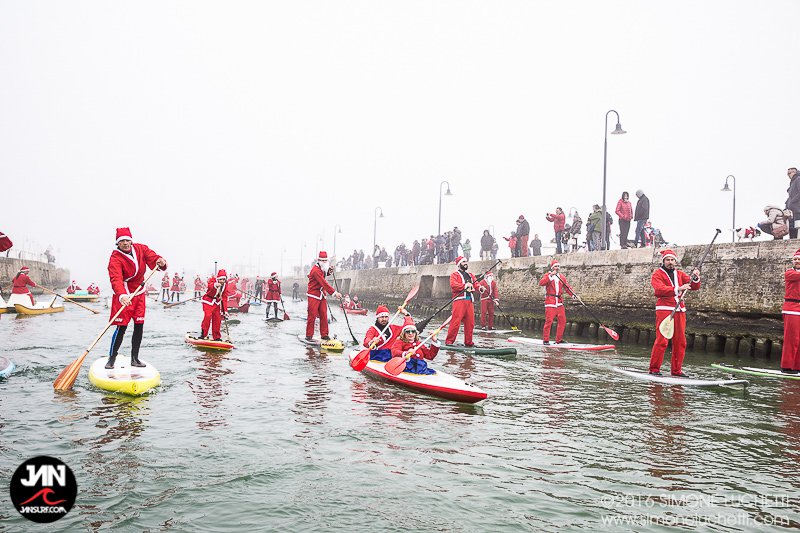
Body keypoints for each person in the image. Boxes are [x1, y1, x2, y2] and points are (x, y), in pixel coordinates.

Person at [106, 227, 167, 369]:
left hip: (139, 293)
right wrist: (121, 295)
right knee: (121, 327)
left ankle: (135, 358)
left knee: (139, 326)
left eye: (128, 240)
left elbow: (153, 257)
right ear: (118, 243)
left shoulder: (141, 249)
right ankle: (112, 358)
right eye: (122, 241)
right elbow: (116, 278)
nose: (126, 243)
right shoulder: (115, 257)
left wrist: (160, 261)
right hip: (124, 295)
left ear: (131, 241)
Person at [649, 249, 700, 376]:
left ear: (675, 261)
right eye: (667, 260)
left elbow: (693, 286)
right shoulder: (657, 274)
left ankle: (676, 371)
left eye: (672, 260)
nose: (670, 262)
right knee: (662, 341)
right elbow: (659, 290)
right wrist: (678, 288)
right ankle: (654, 369)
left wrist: (695, 278)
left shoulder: (680, 274)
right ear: (663, 261)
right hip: (664, 310)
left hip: (679, 310)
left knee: (680, 341)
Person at [306, 251, 342, 341]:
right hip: (313, 295)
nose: (325, 262)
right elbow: (323, 282)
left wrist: (330, 270)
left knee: (324, 314)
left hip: (321, 294)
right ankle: (309, 335)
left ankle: (324, 334)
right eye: (323, 260)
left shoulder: (321, 268)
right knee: (312, 316)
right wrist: (334, 293)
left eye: (326, 260)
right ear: (319, 260)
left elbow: (325, 273)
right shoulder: (315, 270)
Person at [539, 259, 574, 344]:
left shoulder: (562, 277)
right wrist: (550, 276)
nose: (557, 268)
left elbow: (567, 287)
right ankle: (546, 340)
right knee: (549, 321)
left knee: (562, 321)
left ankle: (559, 340)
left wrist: (573, 294)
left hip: (559, 302)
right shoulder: (548, 275)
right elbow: (541, 283)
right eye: (555, 266)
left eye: (558, 266)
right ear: (552, 268)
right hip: (550, 302)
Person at [445, 256, 478, 347]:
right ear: (459, 264)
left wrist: (480, 288)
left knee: (470, 323)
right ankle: (449, 341)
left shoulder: (470, 275)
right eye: (464, 262)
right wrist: (464, 286)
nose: (466, 263)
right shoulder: (454, 275)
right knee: (456, 322)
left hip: (469, 301)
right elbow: (453, 285)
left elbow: (476, 284)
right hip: (459, 301)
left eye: (466, 261)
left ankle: (468, 342)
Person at [781, 249, 800, 373]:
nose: (797, 261)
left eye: (799, 259)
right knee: (791, 339)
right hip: (791, 309)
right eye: (795, 259)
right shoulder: (789, 273)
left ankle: (797, 366)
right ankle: (786, 366)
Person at [200, 269, 229, 341]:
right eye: (221, 279)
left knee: (217, 319)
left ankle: (216, 337)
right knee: (207, 316)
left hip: (217, 302)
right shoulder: (213, 280)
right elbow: (210, 286)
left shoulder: (225, 285)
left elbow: (224, 298)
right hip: (208, 301)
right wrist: (215, 285)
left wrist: (225, 310)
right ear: (218, 279)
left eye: (223, 279)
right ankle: (203, 334)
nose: (222, 281)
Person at [786, 168, 800, 239]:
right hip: (794, 209)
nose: (788, 175)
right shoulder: (793, 182)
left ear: (794, 172)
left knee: (798, 225)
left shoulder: (798, 179)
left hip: (798, 208)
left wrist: (792, 202)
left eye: (789, 173)